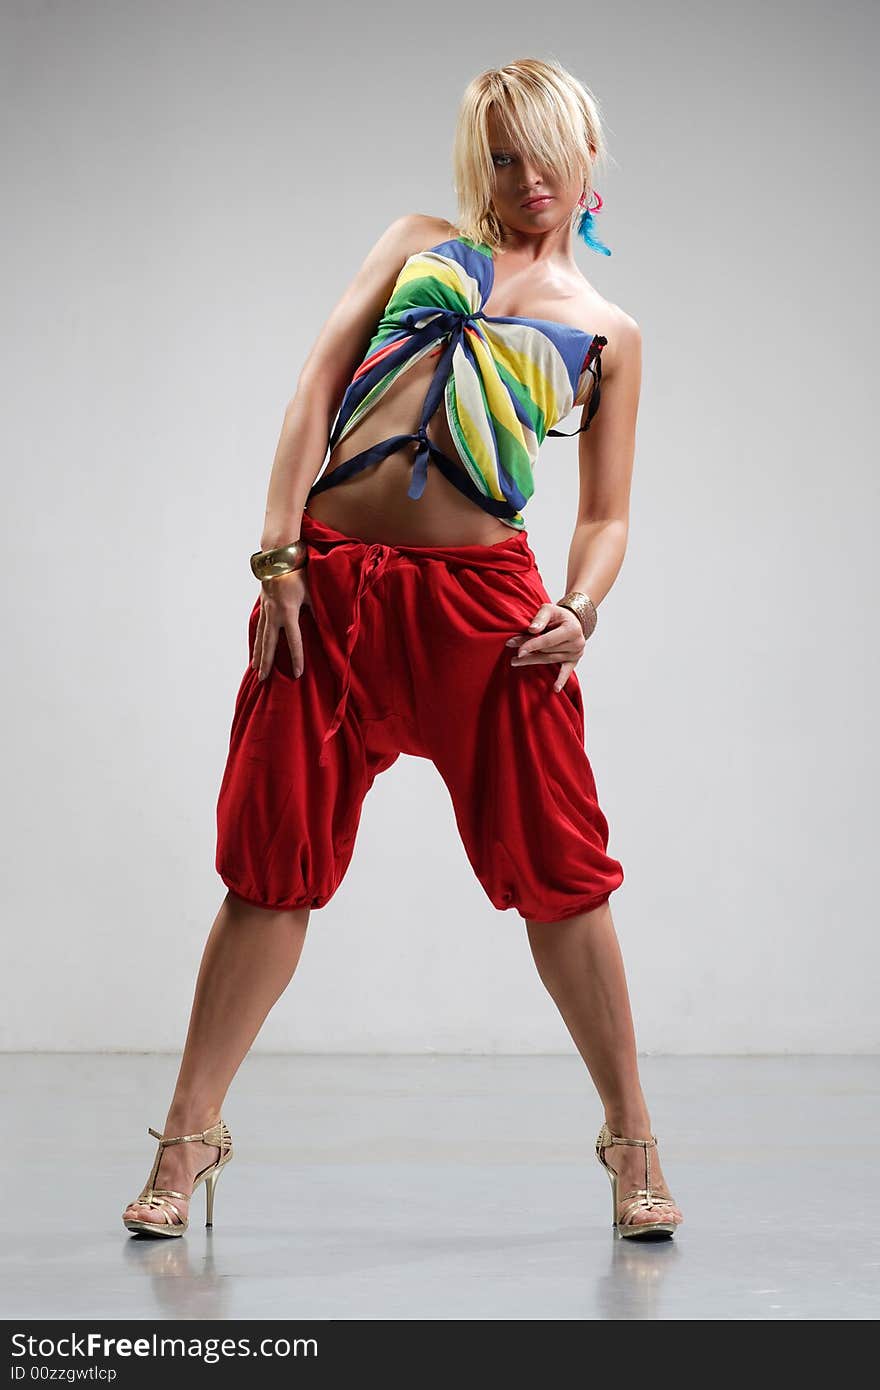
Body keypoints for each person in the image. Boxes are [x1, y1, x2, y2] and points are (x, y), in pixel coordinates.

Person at [122, 57, 684, 1241]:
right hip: (325, 595)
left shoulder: (608, 330)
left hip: (486, 617)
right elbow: (316, 387)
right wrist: (278, 557)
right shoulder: (421, 243)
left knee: (563, 874)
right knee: (267, 864)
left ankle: (631, 1138)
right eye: (501, 156)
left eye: (543, 152)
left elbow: (605, 513)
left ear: (587, 158)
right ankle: (188, 1137)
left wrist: (581, 606)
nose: (525, 178)